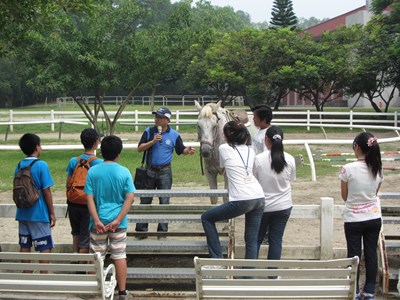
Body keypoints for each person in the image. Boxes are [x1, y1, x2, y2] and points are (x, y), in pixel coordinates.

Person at [201, 120, 265, 259]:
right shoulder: (251, 150)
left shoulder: (223, 148)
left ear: (228, 135)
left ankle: (217, 259)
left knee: (206, 218)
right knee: (251, 240)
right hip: (259, 196)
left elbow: (223, 166)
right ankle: (249, 276)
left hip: (241, 199)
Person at [84, 135, 135, 300]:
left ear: (101, 150)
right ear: (118, 153)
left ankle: (93, 290)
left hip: (98, 222)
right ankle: (122, 292)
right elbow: (130, 198)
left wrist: (97, 220)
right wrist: (118, 219)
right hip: (118, 223)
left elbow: (89, 198)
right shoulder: (124, 172)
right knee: (119, 255)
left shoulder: (93, 171)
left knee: (97, 256)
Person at [135, 107, 195, 239]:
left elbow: (180, 150)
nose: (156, 119)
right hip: (149, 170)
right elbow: (139, 149)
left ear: (167, 120)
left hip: (165, 172)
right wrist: (152, 141)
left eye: (159, 117)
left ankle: (162, 232)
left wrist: (187, 151)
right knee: (145, 201)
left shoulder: (175, 135)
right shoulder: (149, 131)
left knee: (164, 202)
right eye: (156, 116)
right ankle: (141, 231)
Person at [339, 132, 383, 300]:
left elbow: (345, 196)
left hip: (353, 218)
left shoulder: (347, 169)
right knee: (371, 253)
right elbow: (375, 193)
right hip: (373, 217)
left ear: (357, 147)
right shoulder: (378, 168)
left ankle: (354, 289)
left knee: (354, 254)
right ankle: (370, 290)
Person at [253, 126, 296, 261]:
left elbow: (254, 179)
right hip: (283, 206)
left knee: (256, 240)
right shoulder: (289, 159)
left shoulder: (258, 159)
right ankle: (272, 275)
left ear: (266, 139)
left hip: (263, 206)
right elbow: (291, 179)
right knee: (276, 240)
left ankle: (249, 272)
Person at [15, 133, 56, 260]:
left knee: (25, 244)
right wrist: (52, 213)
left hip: (22, 211)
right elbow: (46, 191)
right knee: (44, 245)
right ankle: (43, 275)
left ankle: (26, 273)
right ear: (37, 147)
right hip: (39, 212)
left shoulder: (19, 165)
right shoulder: (41, 165)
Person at [65, 128, 103, 254]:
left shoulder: (73, 161)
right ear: (97, 141)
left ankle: (75, 259)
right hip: (88, 203)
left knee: (76, 233)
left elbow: (68, 183)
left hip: (73, 202)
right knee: (86, 237)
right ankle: (82, 266)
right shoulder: (98, 163)